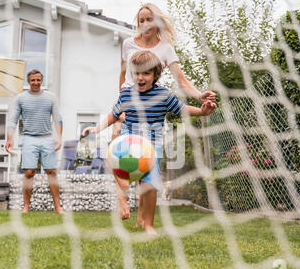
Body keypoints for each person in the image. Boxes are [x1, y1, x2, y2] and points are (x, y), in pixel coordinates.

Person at [83, 50, 216, 234]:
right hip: (129, 141)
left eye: (146, 73)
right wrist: (96, 128)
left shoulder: (163, 95)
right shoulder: (126, 94)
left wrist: (202, 112)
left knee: (149, 185)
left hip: (152, 146)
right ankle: (122, 196)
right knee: (115, 165)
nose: (140, 77)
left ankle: (148, 225)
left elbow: (182, 109)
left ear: (155, 75)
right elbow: (113, 116)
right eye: (137, 73)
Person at [110, 3, 217, 220]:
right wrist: (121, 103)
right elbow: (123, 76)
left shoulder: (165, 49)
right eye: (141, 20)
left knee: (145, 165)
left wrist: (199, 96)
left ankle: (142, 217)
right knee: (117, 153)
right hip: (129, 106)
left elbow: (182, 80)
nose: (145, 24)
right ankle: (121, 196)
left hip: (151, 113)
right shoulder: (128, 44)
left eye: (149, 19)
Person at [6, 69, 65, 214]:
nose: (36, 83)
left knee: (51, 171)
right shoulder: (20, 98)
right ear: (28, 82)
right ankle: (26, 207)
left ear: (42, 81)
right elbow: (13, 120)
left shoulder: (51, 97)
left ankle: (58, 207)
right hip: (29, 138)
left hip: (47, 138)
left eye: (38, 80)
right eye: (33, 80)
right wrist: (9, 139)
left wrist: (59, 137)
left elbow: (58, 118)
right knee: (29, 172)